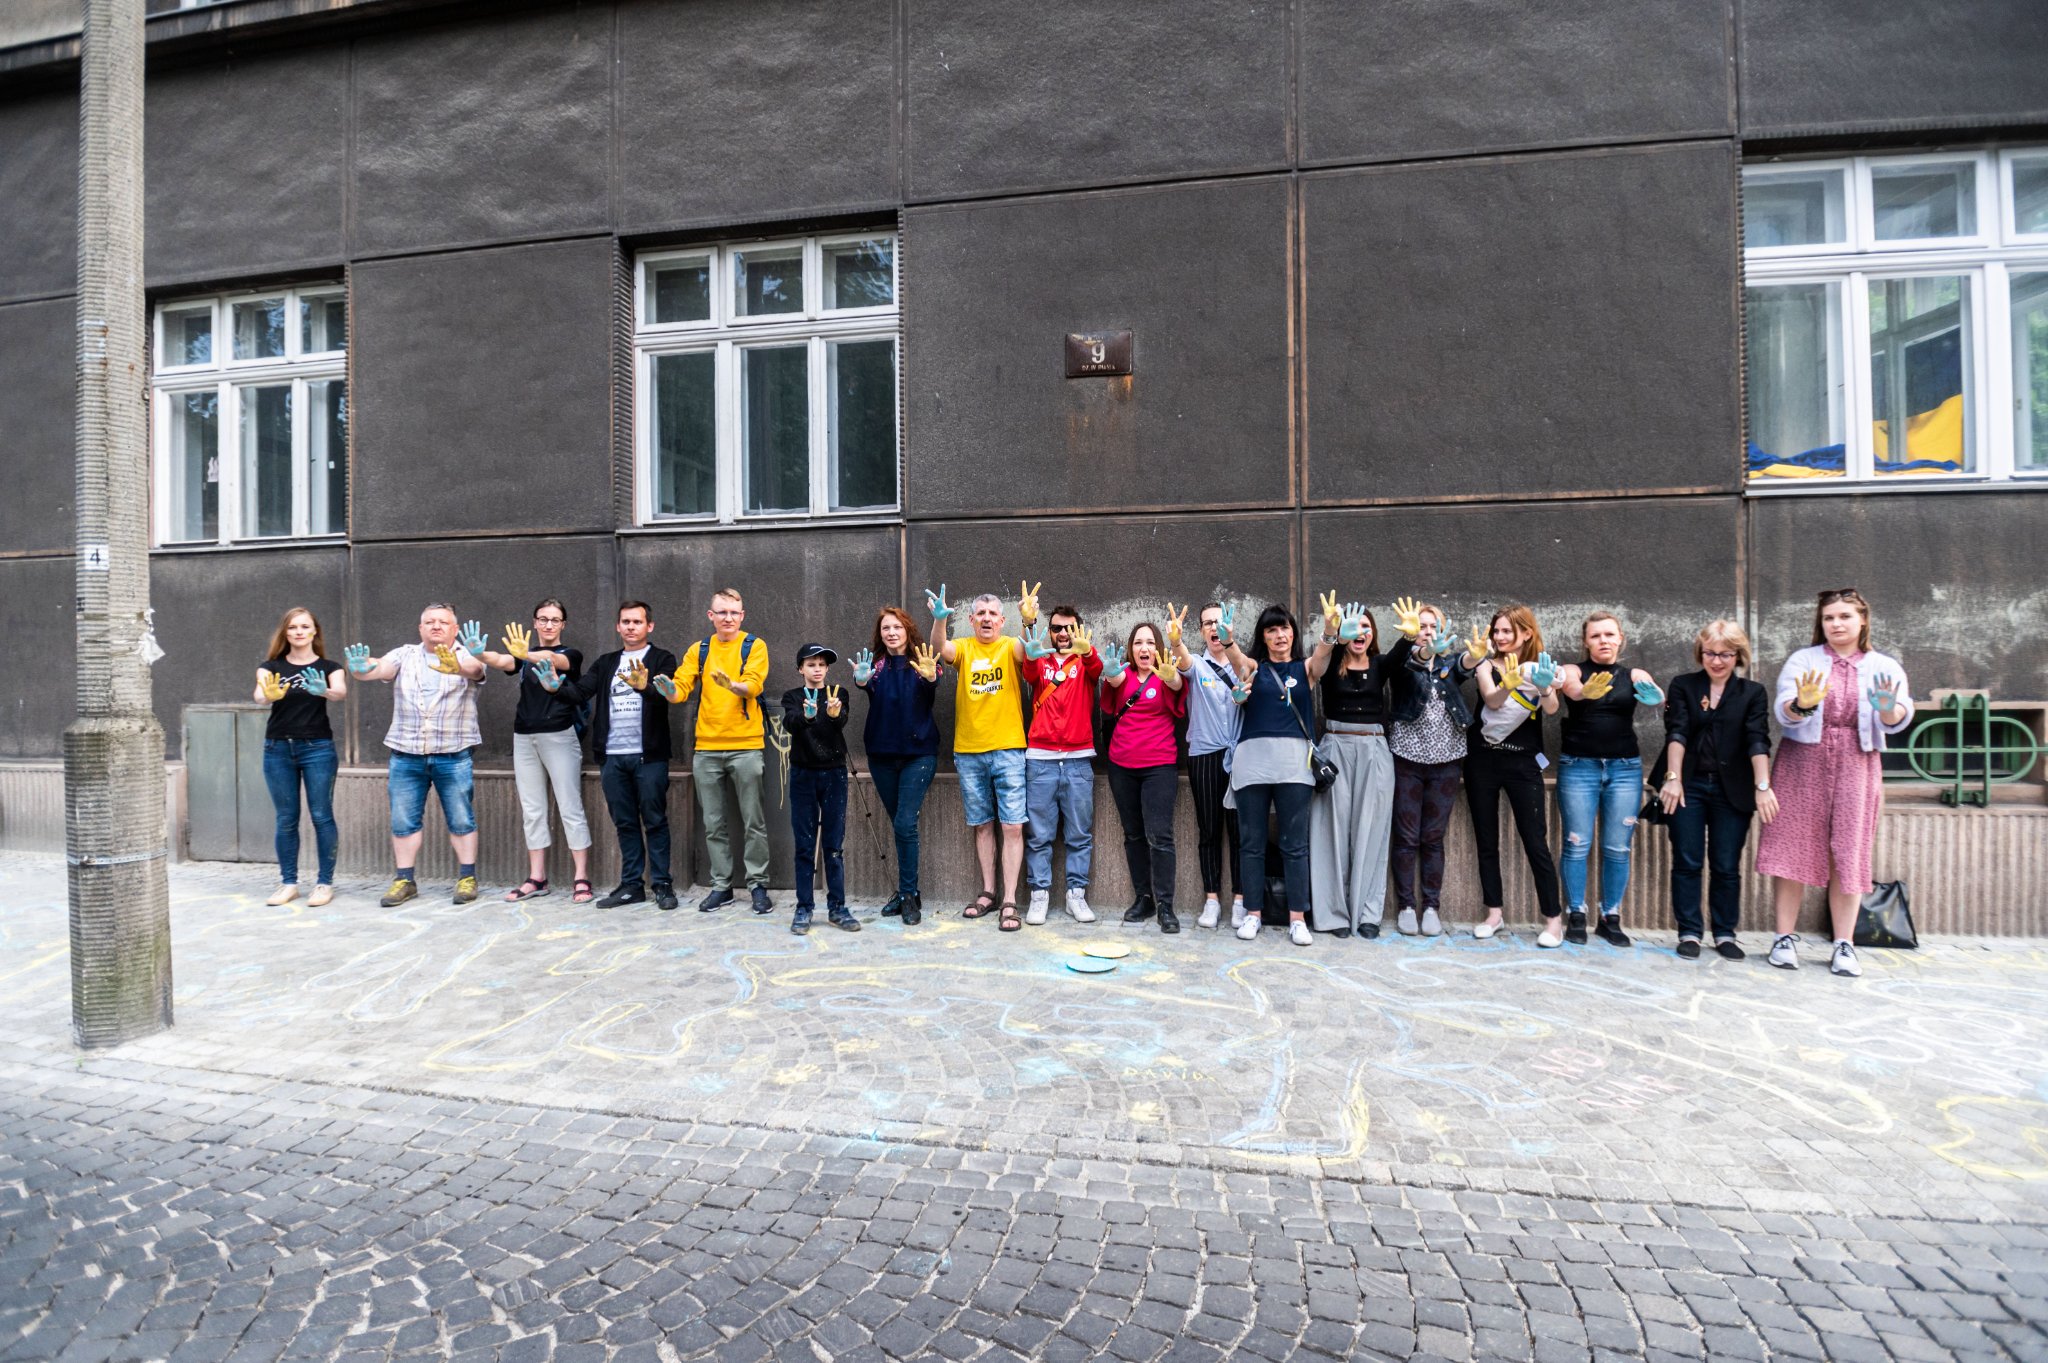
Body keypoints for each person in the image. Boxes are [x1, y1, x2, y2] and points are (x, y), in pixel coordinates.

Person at [1756, 589, 1912, 978]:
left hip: (1858, 762)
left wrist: (1887, 710)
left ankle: (1845, 943)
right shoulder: (1803, 660)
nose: (1836, 624)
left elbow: (1898, 715)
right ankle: (1783, 938)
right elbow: (1785, 712)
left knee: (1849, 850)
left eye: (1844, 616)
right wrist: (1803, 703)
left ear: (1863, 620)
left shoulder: (1884, 665)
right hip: (1802, 760)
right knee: (1792, 845)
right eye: (1829, 618)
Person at [344, 603, 487, 907]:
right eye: (429, 622)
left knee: (461, 819)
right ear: (420, 628)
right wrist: (361, 669)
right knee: (403, 821)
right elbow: (379, 668)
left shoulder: (467, 653)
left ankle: (467, 877)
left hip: (453, 754)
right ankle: (405, 880)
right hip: (406, 754)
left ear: (455, 629)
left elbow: (476, 670)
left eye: (443, 622)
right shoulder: (404, 654)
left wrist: (457, 667)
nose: (436, 626)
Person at [1655, 620, 1779, 960]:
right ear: (1701, 653)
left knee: (1726, 863)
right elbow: (1677, 732)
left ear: (1738, 655)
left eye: (1726, 654)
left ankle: (1725, 933)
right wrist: (1673, 778)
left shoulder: (1752, 692)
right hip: (1689, 784)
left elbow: (1758, 739)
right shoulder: (1684, 685)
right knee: (1687, 860)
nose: (1717, 661)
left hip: (1732, 789)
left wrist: (1763, 786)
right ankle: (1689, 931)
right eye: (1710, 653)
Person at [551, 601, 677, 910]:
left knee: (655, 821)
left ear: (649, 626)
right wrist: (554, 687)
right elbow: (580, 692)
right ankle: (632, 885)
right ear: (618, 626)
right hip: (612, 757)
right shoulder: (607, 662)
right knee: (625, 823)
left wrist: (645, 688)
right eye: (626, 622)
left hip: (649, 756)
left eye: (637, 621)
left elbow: (666, 697)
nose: (631, 627)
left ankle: (662, 884)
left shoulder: (662, 659)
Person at [930, 582, 1037, 932]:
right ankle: (988, 892)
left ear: (1002, 621)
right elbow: (940, 648)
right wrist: (940, 620)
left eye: (993, 614)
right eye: (981, 614)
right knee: (982, 824)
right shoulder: (964, 647)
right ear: (972, 620)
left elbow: (1028, 650)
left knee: (1013, 825)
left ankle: (1010, 900)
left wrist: (1029, 621)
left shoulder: (1009, 646)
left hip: (1008, 748)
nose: (987, 618)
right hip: (969, 751)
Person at [1306, 593, 1412, 938]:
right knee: (1331, 831)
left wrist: (1410, 636)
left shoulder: (1380, 665)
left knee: (1373, 830)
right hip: (1336, 746)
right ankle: (1333, 914)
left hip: (1374, 750)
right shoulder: (1331, 663)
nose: (1360, 632)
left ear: (1373, 633)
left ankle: (1367, 914)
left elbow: (1401, 655)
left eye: (1366, 626)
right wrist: (1335, 635)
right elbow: (1320, 658)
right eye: (1354, 627)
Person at [1555, 613, 1664, 948]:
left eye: (1609, 634)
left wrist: (1654, 694)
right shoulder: (1574, 670)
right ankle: (1576, 914)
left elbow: (1656, 694)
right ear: (1585, 641)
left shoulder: (1633, 674)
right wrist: (1585, 692)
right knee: (1577, 843)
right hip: (1579, 766)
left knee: (1617, 847)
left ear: (1620, 638)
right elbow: (1572, 690)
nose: (1603, 640)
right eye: (1595, 636)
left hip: (1625, 769)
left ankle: (1609, 917)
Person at [664, 588, 773, 913]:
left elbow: (754, 684)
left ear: (742, 615)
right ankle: (722, 886)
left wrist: (733, 686)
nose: (728, 618)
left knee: (754, 821)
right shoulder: (699, 650)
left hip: (746, 746)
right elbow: (680, 689)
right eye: (722, 612)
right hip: (707, 749)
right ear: (710, 616)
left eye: (734, 612)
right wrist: (667, 690)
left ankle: (758, 885)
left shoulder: (754, 646)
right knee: (713, 823)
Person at [1218, 602, 1321, 947]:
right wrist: (1228, 641)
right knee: (1251, 842)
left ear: (1293, 632)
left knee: (1295, 844)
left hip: (1294, 764)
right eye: (1271, 630)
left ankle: (1297, 918)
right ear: (1263, 636)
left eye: (1284, 628)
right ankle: (1253, 913)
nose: (1279, 635)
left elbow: (1322, 659)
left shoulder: (1305, 668)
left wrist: (1330, 634)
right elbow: (1237, 662)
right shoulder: (1254, 668)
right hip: (1253, 764)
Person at [480, 599, 592, 904]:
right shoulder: (522, 656)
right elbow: (502, 660)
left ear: (563, 624)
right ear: (534, 622)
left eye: (555, 620)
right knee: (532, 810)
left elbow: (554, 660)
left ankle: (581, 877)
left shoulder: (570, 654)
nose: (548, 625)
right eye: (543, 619)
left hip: (559, 735)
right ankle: (537, 877)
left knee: (570, 807)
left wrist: (525, 655)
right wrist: (478, 653)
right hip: (524, 737)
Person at [1465, 605, 1564, 941]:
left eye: (1507, 630)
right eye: (1497, 630)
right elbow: (1492, 701)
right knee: (1486, 840)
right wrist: (1508, 684)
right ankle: (1494, 914)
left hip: (1524, 764)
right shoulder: (1485, 664)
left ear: (1526, 633)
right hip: (1483, 761)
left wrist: (1545, 688)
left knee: (1535, 841)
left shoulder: (1538, 667)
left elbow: (1552, 708)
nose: (1500, 636)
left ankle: (1553, 920)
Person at [1387, 601, 1484, 937]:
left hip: (1447, 761)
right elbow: (1409, 665)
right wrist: (1423, 651)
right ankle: (1406, 906)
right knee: (1406, 836)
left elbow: (1465, 666)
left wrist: (1475, 657)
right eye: (1421, 626)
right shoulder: (1402, 662)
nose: (1427, 632)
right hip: (1407, 758)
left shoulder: (1450, 662)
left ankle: (1431, 906)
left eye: (1433, 626)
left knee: (1432, 837)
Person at [853, 608, 943, 926]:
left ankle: (907, 895)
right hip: (881, 757)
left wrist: (930, 676)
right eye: (886, 628)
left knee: (905, 824)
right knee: (900, 826)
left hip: (919, 756)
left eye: (897, 627)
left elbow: (932, 682)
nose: (891, 632)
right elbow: (863, 682)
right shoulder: (875, 666)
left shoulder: (923, 662)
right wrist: (861, 680)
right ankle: (910, 892)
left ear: (908, 630)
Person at [254, 606, 347, 908]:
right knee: (286, 818)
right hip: (278, 749)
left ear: (314, 631)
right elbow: (259, 695)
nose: (299, 632)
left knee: (321, 815)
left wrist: (324, 691)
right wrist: (269, 695)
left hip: (317, 748)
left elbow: (340, 692)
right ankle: (289, 883)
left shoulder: (330, 667)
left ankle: (324, 883)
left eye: (305, 627)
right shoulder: (270, 667)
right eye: (293, 627)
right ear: (285, 632)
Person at [1100, 621, 1186, 932]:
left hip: (1159, 767)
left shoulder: (1165, 675)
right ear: (1131, 649)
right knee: (1133, 835)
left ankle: (1165, 905)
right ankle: (1144, 898)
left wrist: (1172, 676)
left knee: (1160, 836)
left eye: (1150, 642)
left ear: (1158, 647)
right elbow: (1113, 683)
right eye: (1138, 643)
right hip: (1121, 766)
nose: (1144, 648)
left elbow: (1177, 684)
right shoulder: (1122, 675)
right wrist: (1110, 674)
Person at [1021, 599, 1103, 925]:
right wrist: (1027, 626)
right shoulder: (1040, 660)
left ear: (1078, 630)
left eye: (1069, 627)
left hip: (1079, 760)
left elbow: (1099, 671)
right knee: (1038, 836)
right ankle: (1039, 895)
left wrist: (1088, 652)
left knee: (1079, 834)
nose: (1063, 633)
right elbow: (1028, 670)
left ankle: (1076, 896)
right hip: (1040, 759)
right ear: (1050, 632)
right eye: (1056, 628)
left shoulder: (1085, 661)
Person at [1171, 602, 1248, 930]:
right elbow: (1182, 660)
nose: (1214, 628)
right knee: (1209, 830)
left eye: (1219, 622)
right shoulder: (1197, 665)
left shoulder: (1243, 664)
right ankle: (1212, 899)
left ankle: (1241, 900)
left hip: (1241, 757)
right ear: (1201, 631)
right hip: (1204, 755)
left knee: (1240, 831)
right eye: (1207, 623)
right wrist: (1175, 641)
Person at [781, 644, 856, 934]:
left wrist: (834, 714)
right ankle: (804, 907)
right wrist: (808, 716)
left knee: (834, 845)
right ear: (800, 668)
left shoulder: (838, 693)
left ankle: (837, 907)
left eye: (822, 665)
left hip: (834, 774)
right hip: (803, 775)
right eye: (811, 664)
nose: (817, 669)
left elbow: (842, 719)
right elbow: (791, 722)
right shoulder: (792, 696)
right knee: (804, 844)